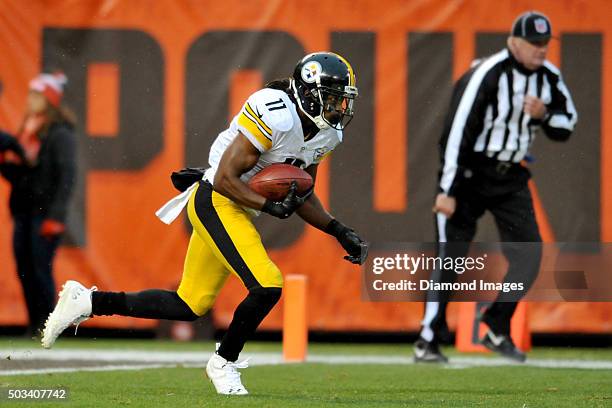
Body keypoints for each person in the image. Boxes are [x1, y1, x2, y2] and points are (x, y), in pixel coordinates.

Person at [41, 52, 368, 395]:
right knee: (267, 284)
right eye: (332, 98)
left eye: (342, 100)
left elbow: (302, 190)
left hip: (237, 206)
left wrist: (338, 230)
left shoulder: (327, 136)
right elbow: (227, 178)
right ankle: (224, 362)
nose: (338, 108)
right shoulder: (276, 113)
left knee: (189, 304)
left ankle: (88, 302)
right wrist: (269, 206)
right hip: (215, 198)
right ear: (308, 92)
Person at [413, 11, 577, 363]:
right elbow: (458, 132)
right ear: (513, 42)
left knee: (529, 253)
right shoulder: (487, 74)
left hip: (510, 176)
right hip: (471, 174)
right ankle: (428, 338)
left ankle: (496, 325)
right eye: (534, 43)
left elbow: (568, 124)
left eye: (545, 43)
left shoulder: (549, 78)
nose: (541, 50)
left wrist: (544, 114)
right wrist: (447, 189)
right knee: (451, 254)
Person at [0, 72, 77, 336]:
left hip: (43, 215)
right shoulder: (28, 130)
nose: (30, 101)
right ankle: (35, 324)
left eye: (36, 96)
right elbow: (24, 176)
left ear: (49, 100)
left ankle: (48, 324)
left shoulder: (59, 134)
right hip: (23, 212)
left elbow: (66, 176)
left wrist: (56, 216)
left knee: (40, 270)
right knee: (24, 270)